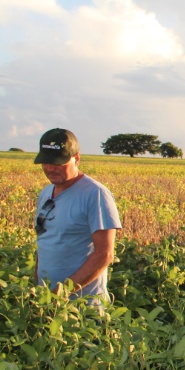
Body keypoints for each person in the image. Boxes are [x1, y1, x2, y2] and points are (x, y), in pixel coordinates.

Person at [33, 128, 122, 302]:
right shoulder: (46, 193)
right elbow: (45, 239)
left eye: (59, 163)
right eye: (46, 162)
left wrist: (60, 293)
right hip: (46, 300)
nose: (51, 168)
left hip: (82, 309)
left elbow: (104, 254)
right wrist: (38, 285)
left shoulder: (95, 194)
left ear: (77, 158)